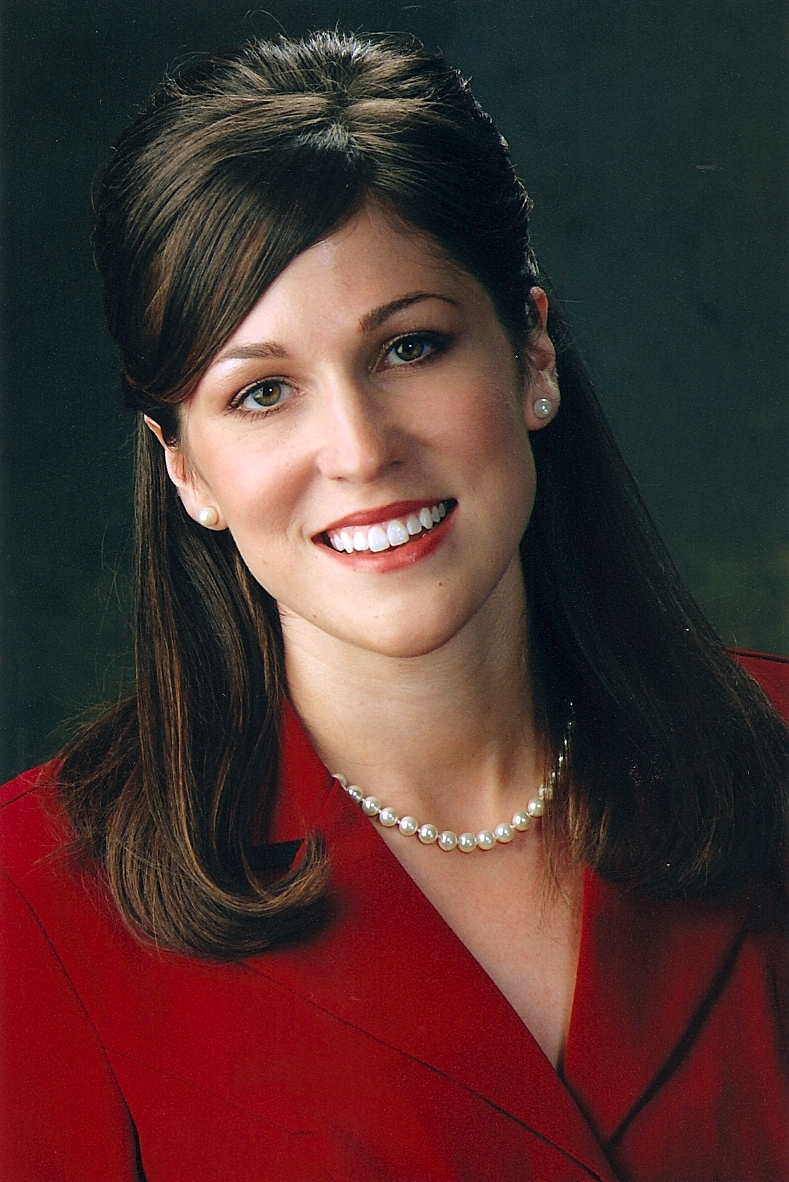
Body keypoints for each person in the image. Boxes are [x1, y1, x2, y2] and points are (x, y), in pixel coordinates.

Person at [1, 31, 787, 1182]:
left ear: (532, 354)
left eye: (411, 346)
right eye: (262, 392)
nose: (361, 450)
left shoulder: (776, 754)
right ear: (186, 470)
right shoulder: (33, 907)